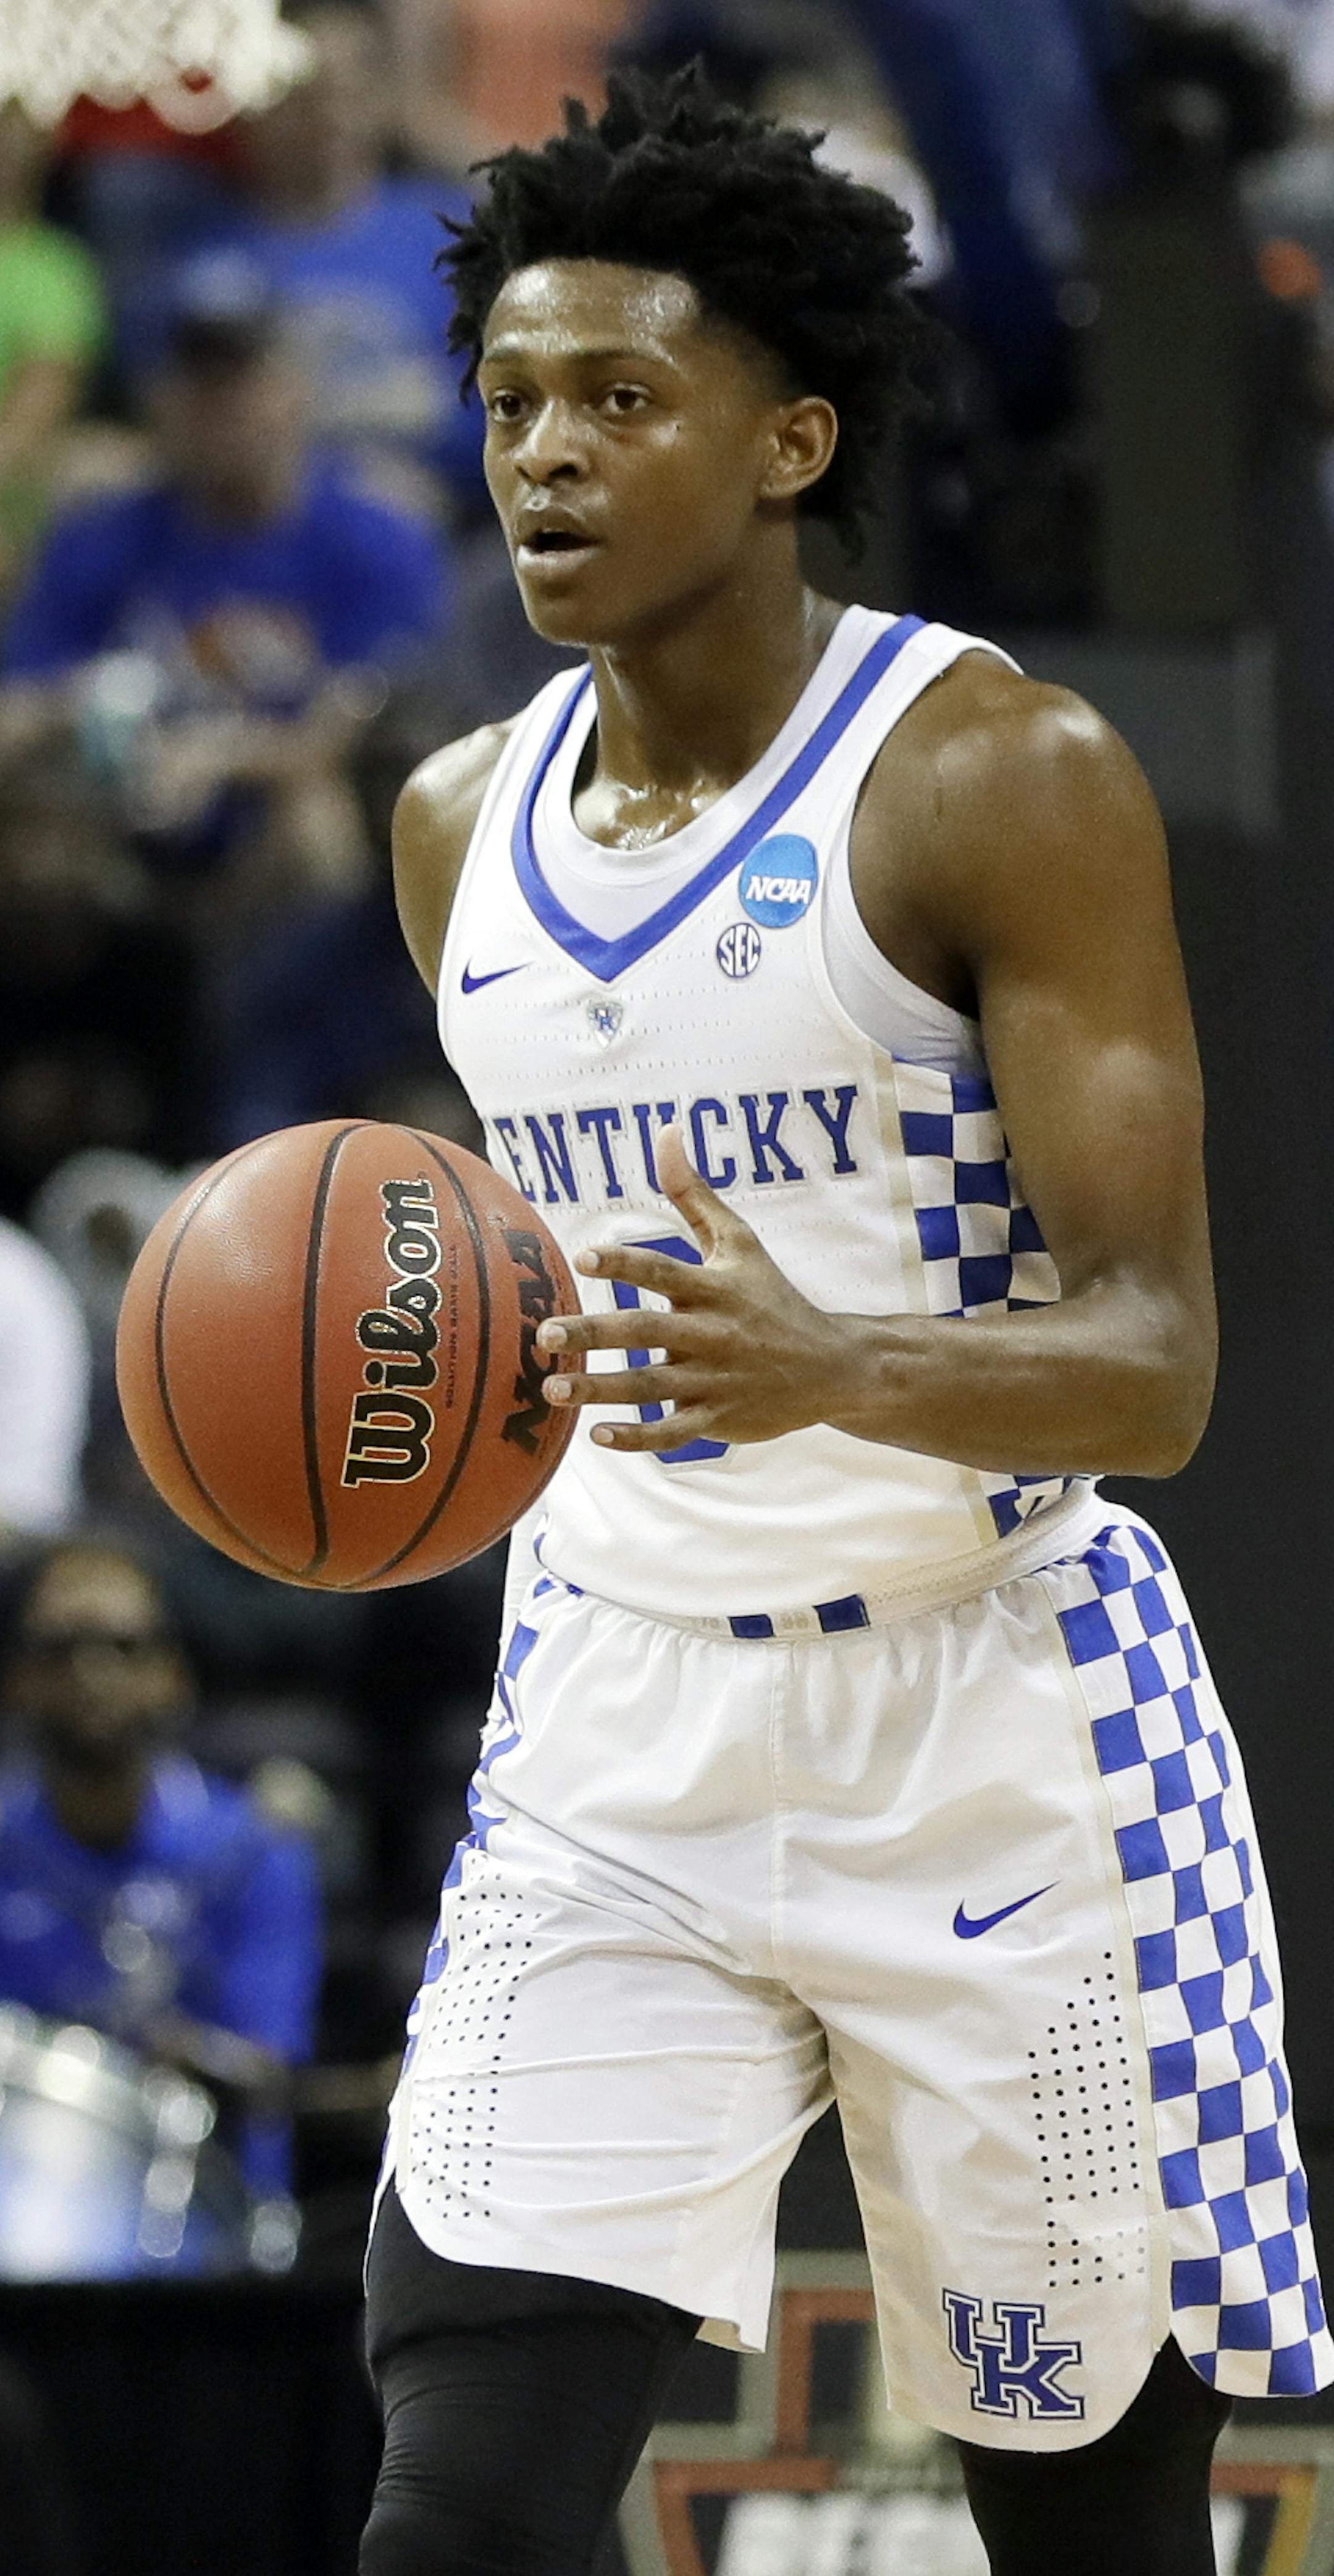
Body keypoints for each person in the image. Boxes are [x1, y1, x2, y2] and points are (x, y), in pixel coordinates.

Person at [360, 69, 1331, 2576]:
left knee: (1089, 2535)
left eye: (616, 399)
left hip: (994, 1711)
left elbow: (1160, 1364)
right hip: (619, 1714)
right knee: (459, 2504)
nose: (541, 457)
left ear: (790, 437)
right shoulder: (456, 821)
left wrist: (838, 1366)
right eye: (507, 405)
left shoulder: (994, 770)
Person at [0, 257, 450, 905]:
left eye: (242, 378)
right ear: (159, 400)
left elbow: (379, 725)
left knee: (315, 824)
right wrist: (77, 705)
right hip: (114, 843)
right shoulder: (102, 537)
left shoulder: (375, 538)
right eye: (196, 382)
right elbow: (15, 712)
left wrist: (225, 758)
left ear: (295, 388)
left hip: (264, 851)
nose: (220, 407)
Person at [0, 1534, 321, 2203]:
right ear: (18, 1681)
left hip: (204, 2222)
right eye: (60, 1648)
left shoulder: (255, 1851)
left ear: (173, 1675)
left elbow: (267, 2063)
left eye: (125, 1646)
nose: (92, 1670)